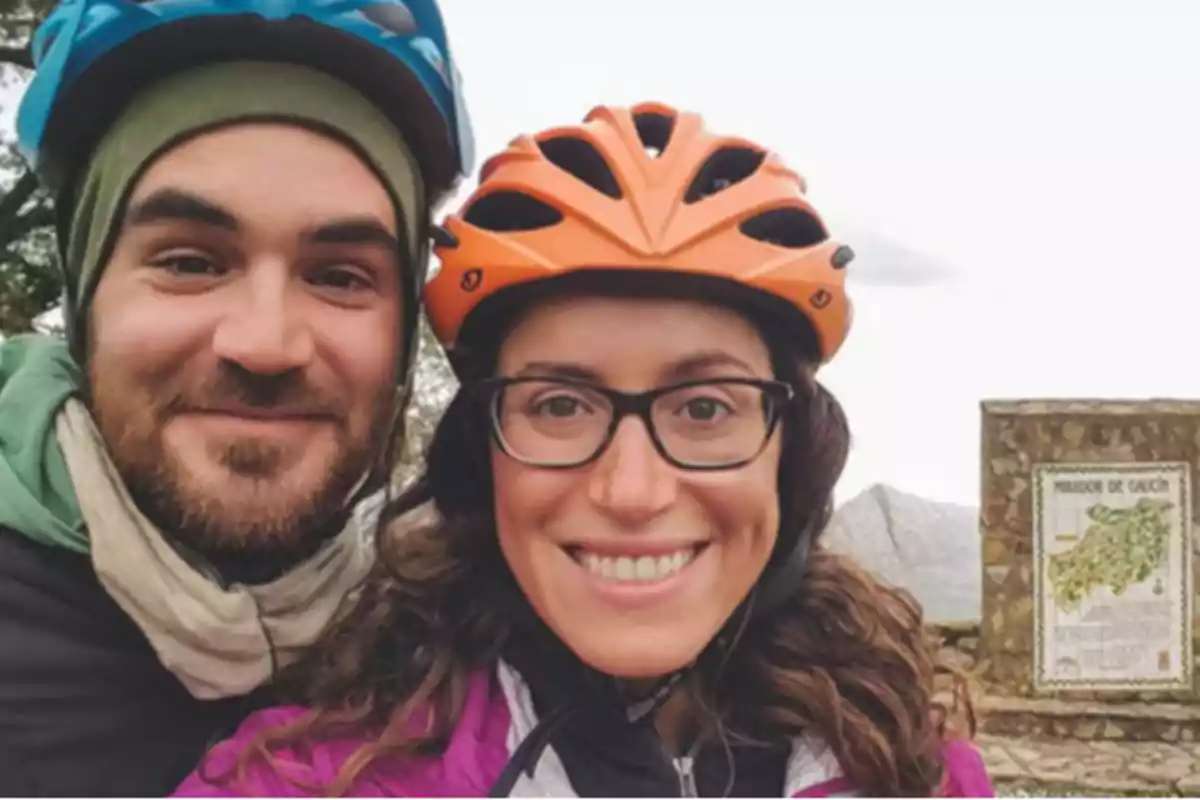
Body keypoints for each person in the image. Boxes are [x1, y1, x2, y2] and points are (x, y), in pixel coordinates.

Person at [175, 102, 994, 797]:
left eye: (705, 405)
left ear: (792, 456)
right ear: (477, 462)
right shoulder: (307, 777)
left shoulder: (915, 766)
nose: (631, 490)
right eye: (560, 405)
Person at [0, 0, 473, 794]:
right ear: (86, 305)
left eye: (339, 275)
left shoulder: (454, 643)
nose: (264, 344)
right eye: (189, 262)